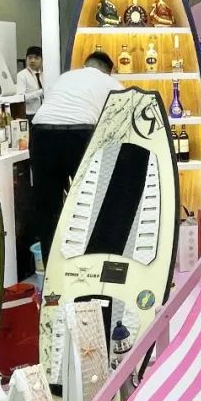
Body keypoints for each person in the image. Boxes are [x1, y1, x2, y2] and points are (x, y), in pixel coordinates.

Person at [29, 51, 121, 261]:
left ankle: (52, 269)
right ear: (109, 70)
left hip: (41, 133)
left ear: (85, 64)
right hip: (80, 134)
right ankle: (90, 262)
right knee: (90, 201)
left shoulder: (65, 77)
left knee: (48, 207)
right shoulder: (111, 83)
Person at [15, 46, 44, 117]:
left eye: (36, 58)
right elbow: (20, 97)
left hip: (44, 113)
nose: (32, 61)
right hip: (30, 115)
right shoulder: (22, 75)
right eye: (30, 58)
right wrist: (40, 92)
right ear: (26, 59)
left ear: (42, 60)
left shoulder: (44, 75)